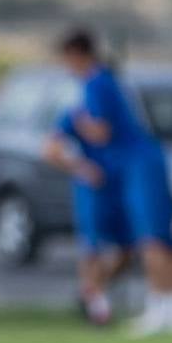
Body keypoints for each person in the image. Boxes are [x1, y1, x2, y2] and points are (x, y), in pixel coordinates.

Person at [54, 29, 172, 335]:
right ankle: (164, 306)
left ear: (76, 55)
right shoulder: (103, 82)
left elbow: (100, 131)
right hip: (132, 170)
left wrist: (78, 125)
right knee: (144, 241)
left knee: (153, 239)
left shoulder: (97, 83)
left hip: (140, 166)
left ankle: (171, 307)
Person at [43, 95, 134, 326]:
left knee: (128, 249)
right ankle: (97, 308)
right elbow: (50, 149)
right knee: (92, 248)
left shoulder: (121, 112)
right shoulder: (77, 114)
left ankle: (91, 293)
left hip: (120, 187)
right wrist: (80, 167)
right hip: (93, 191)